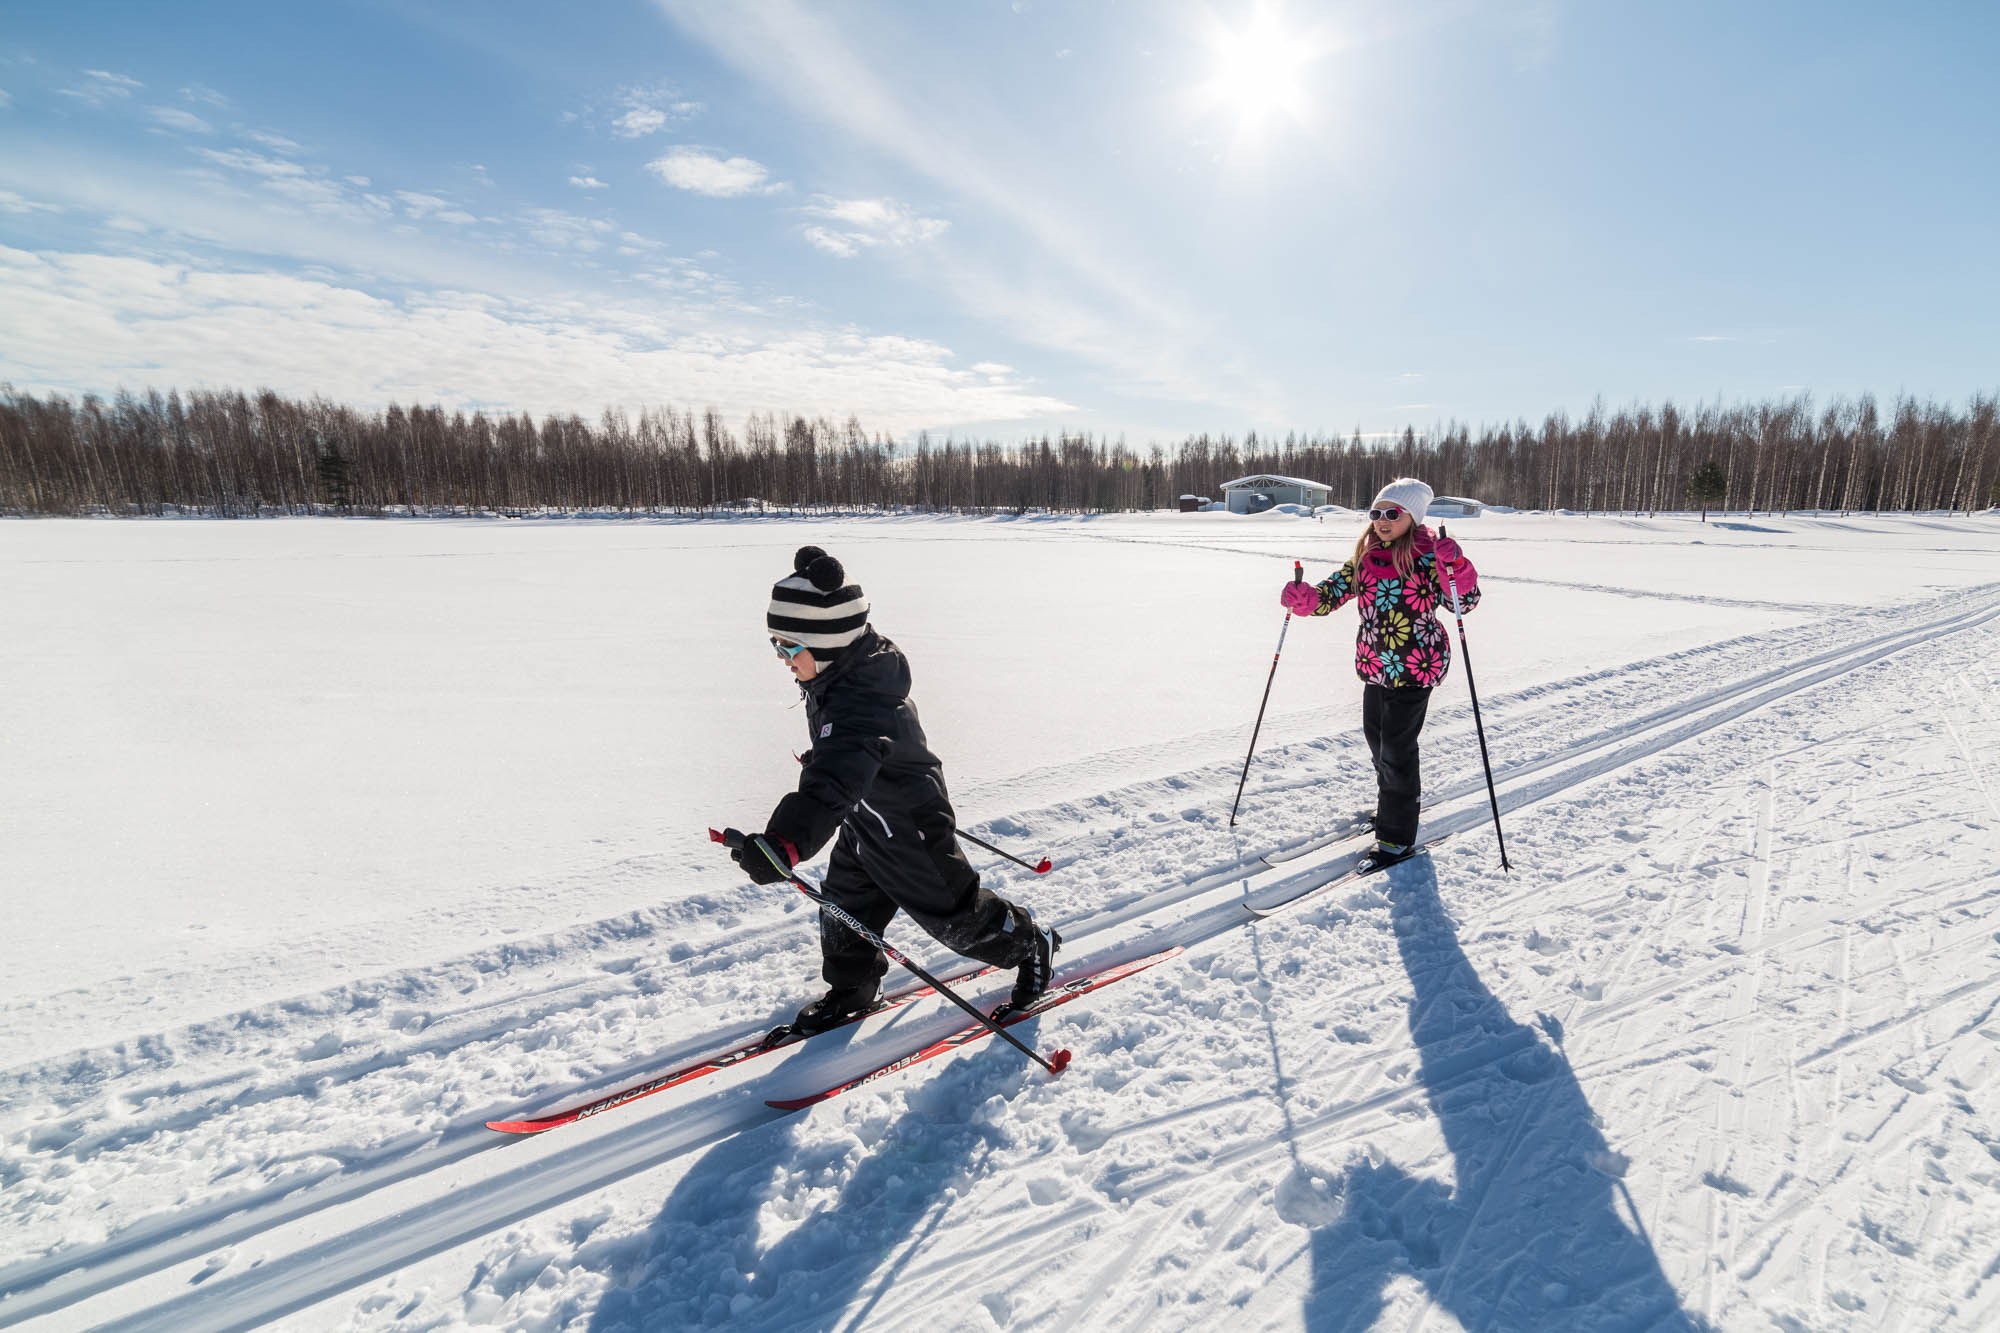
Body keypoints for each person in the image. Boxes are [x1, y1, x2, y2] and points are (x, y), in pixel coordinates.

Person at [727, 546, 1059, 1035]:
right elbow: (838, 758)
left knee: (956, 920)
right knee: (844, 905)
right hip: (866, 816)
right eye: (776, 646)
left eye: (788, 648)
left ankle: (1031, 943)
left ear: (826, 643)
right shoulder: (840, 674)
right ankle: (854, 986)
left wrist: (785, 843)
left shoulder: (862, 701)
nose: (781, 659)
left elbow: (837, 772)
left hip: (907, 825)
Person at [1279, 479, 1480, 867]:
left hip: (1416, 666)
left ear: (1412, 517)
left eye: (1393, 514)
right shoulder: (1366, 556)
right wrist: (1306, 600)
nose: (1383, 521)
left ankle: (1397, 836)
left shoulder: (1428, 555)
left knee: (1396, 751)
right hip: (1375, 666)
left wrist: (1455, 565)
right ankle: (1390, 809)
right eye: (1376, 514)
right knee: (1377, 742)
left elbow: (1463, 602)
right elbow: (1332, 593)